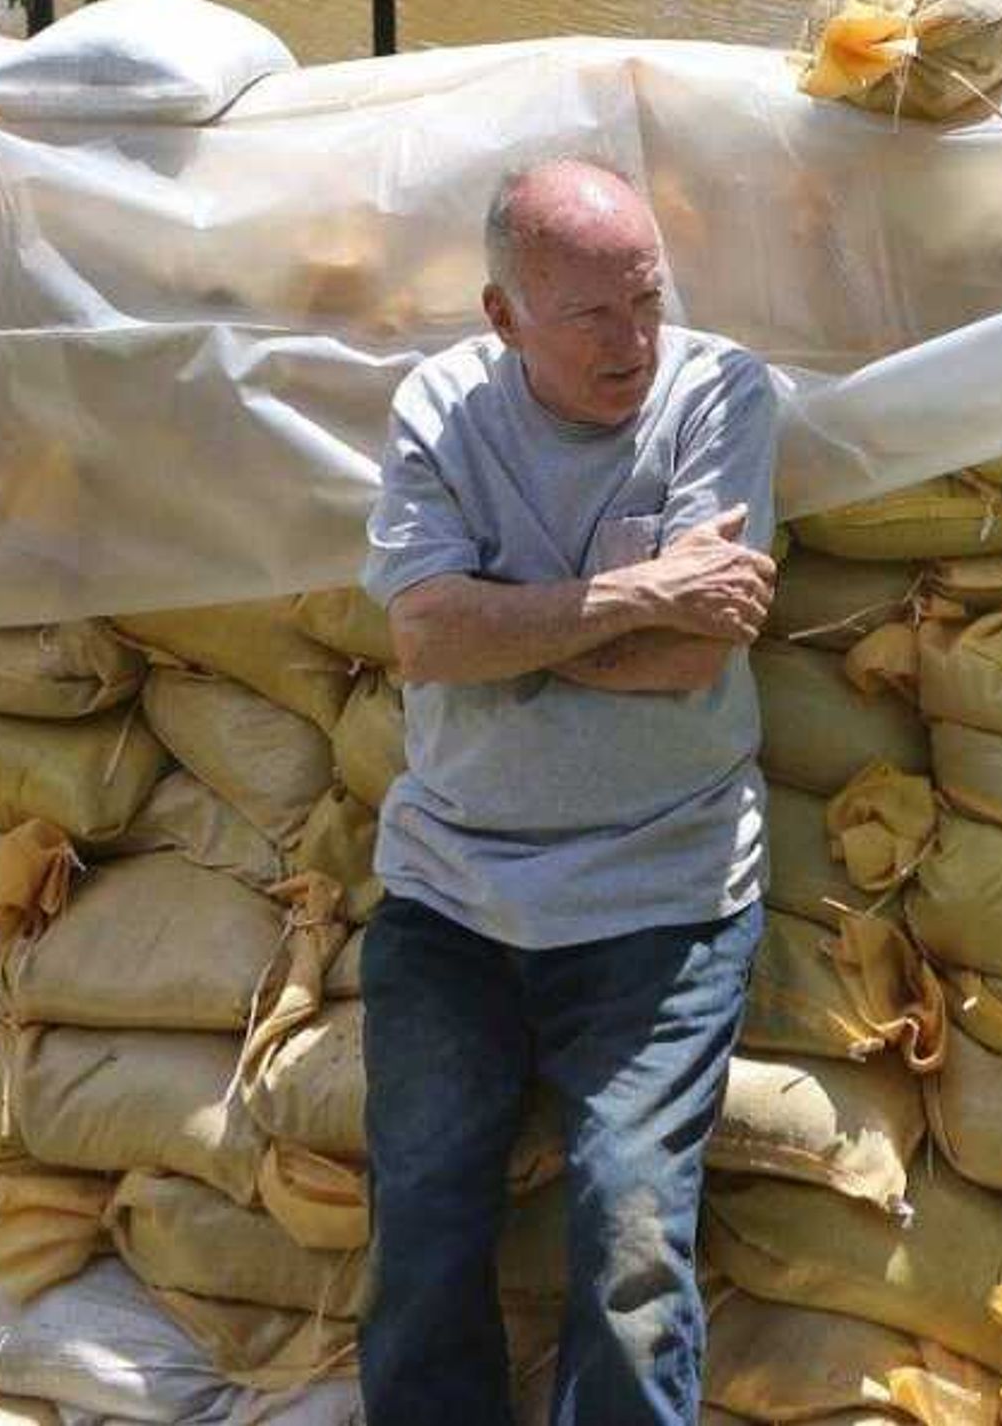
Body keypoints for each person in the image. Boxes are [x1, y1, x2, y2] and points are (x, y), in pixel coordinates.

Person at [356, 159, 782, 1426]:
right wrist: (645, 591)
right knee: (424, 1218)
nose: (634, 340)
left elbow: (700, 654)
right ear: (503, 317)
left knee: (627, 1240)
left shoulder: (720, 390)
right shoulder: (438, 405)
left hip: (665, 885)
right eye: (592, 314)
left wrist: (509, 629)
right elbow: (425, 639)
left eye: (646, 298)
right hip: (452, 890)